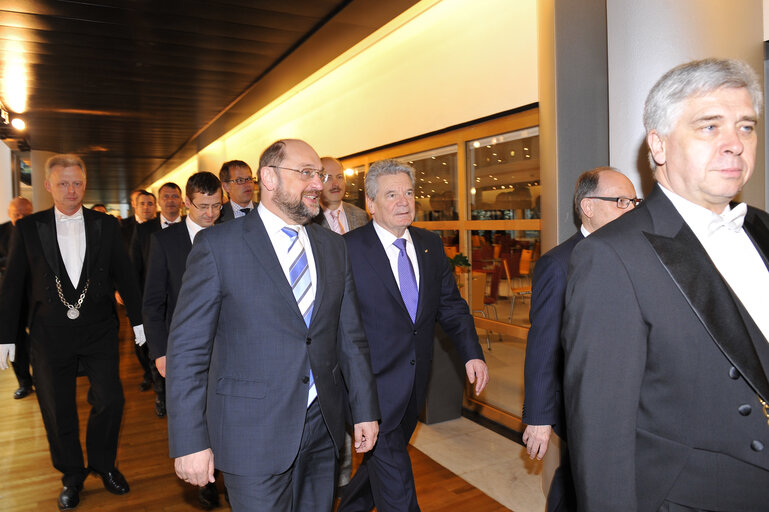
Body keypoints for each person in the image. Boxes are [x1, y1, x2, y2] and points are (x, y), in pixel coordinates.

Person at [563, 58, 769, 511]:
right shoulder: (611, 256)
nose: (735, 144)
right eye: (710, 127)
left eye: (747, 127)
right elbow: (601, 435)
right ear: (658, 145)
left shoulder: (763, 229)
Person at [166, 139, 380, 511]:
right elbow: (187, 351)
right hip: (251, 431)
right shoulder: (217, 246)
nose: (318, 183)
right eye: (307, 173)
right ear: (269, 177)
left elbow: (351, 337)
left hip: (321, 426)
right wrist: (189, 440)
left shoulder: (333, 247)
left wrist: (364, 409)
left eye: (322, 174)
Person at [339, 159, 489, 512]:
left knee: (380, 465)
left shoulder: (429, 245)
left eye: (408, 192)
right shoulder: (346, 250)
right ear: (370, 203)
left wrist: (472, 352)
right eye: (391, 194)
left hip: (415, 383)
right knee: (396, 480)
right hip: (369, 388)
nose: (403, 201)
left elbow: (450, 305)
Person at [0, 154, 145, 510]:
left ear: (84, 184)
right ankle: (72, 475)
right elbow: (13, 285)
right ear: (48, 186)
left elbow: (125, 275)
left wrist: (141, 321)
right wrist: (6, 335)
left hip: (99, 330)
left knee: (111, 400)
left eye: (77, 183)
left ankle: (103, 464)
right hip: (49, 335)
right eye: (63, 183)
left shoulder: (105, 225)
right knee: (57, 407)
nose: (71, 190)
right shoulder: (28, 228)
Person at [521, 167, 638, 511]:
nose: (631, 209)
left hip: (629, 399)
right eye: (621, 201)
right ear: (588, 206)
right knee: (575, 484)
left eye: (634, 201)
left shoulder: (634, 258)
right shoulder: (559, 264)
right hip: (583, 404)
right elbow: (543, 345)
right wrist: (539, 417)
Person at [142, 171, 223, 507]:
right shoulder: (166, 241)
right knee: (197, 412)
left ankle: (226, 470)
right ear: (188, 203)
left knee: (223, 410)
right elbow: (152, 302)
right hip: (185, 347)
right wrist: (160, 352)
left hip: (227, 342)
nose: (210, 214)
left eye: (217, 206)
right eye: (203, 207)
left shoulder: (231, 233)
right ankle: (205, 481)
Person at [130, 183, 181, 402]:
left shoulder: (190, 228)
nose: (170, 200)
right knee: (156, 351)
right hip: (154, 301)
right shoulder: (144, 230)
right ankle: (160, 396)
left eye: (174, 196)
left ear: (182, 201)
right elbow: (134, 266)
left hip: (180, 302)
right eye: (166, 196)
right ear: (159, 202)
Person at [0, 196, 35, 399]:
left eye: (26, 214)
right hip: (10, 297)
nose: (21, 218)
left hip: (34, 294)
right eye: (17, 214)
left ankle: (41, 377)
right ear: (9, 214)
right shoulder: (2, 233)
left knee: (40, 338)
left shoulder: (40, 232)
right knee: (15, 339)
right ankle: (24, 381)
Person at [313, 156, 368, 234]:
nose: (335, 184)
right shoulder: (309, 219)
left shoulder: (361, 216)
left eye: (339, 177)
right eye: (328, 178)